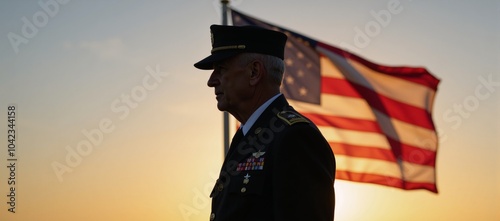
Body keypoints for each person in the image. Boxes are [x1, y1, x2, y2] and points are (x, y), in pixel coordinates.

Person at [194, 25, 336, 221]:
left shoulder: (295, 138)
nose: (211, 81)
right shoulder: (248, 137)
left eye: (221, 69)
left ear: (254, 72)